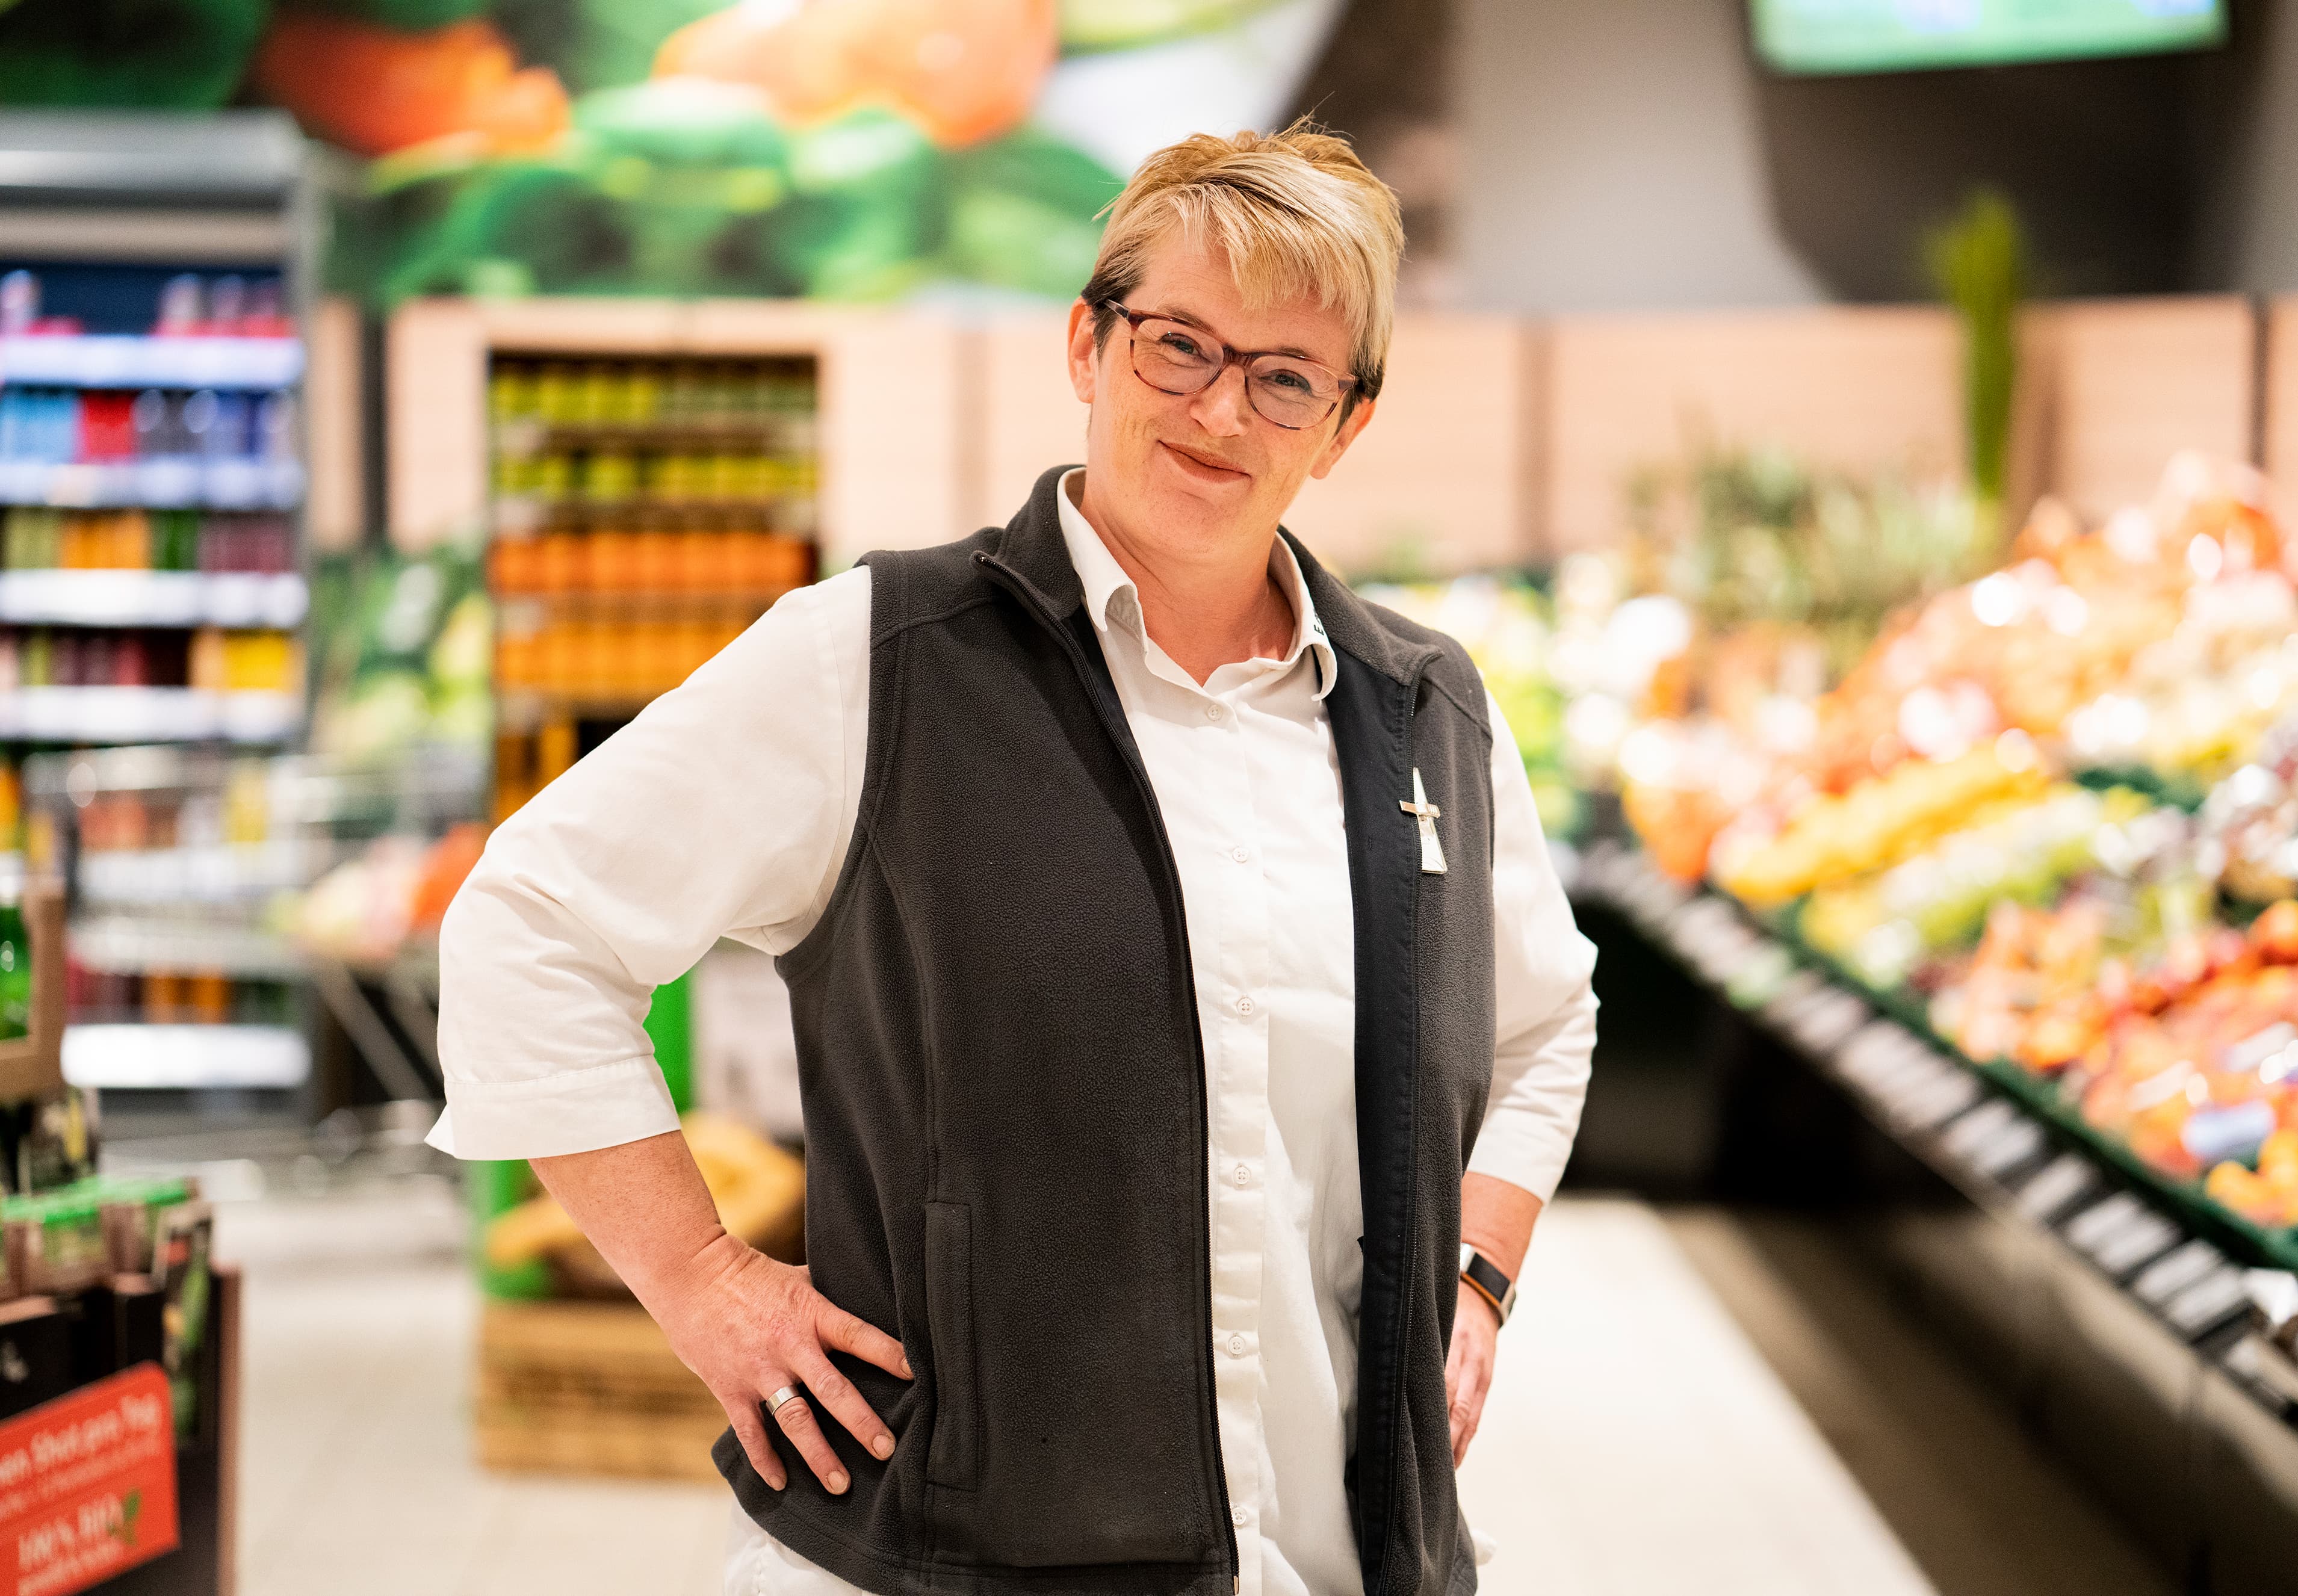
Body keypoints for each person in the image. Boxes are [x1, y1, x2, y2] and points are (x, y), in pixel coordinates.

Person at [432, 122, 1596, 1596]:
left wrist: (1475, 1282)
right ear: (1087, 346)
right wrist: (705, 1286)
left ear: (1342, 424)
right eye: (1178, 345)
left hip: (1333, 1559)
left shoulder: (1420, 710)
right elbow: (525, 928)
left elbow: (1544, 1014)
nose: (1220, 412)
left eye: (1284, 376)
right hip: (950, 1556)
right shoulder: (879, 660)